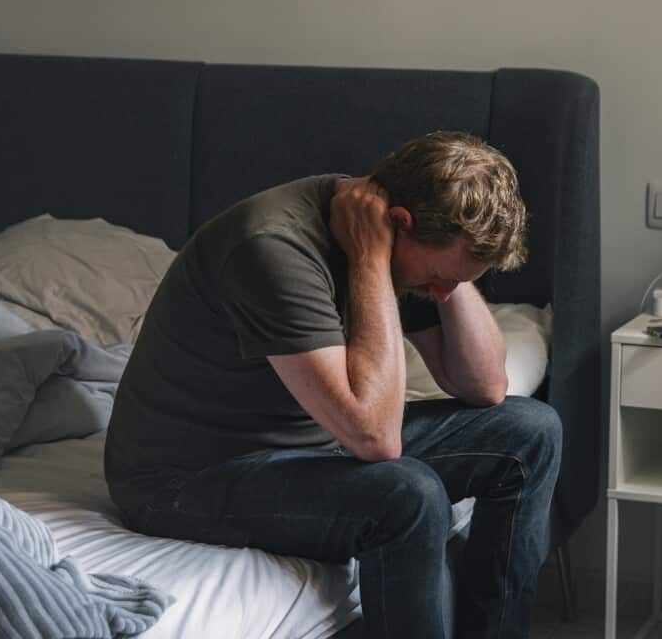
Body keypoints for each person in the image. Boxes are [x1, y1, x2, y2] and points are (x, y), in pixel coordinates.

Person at [104, 131, 563, 639]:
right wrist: (370, 261)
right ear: (398, 224)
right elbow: (375, 437)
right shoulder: (273, 247)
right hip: (186, 478)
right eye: (438, 277)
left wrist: (450, 279)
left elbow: (486, 387)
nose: (439, 292)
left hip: (308, 442)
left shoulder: (402, 242)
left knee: (532, 430)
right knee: (408, 495)